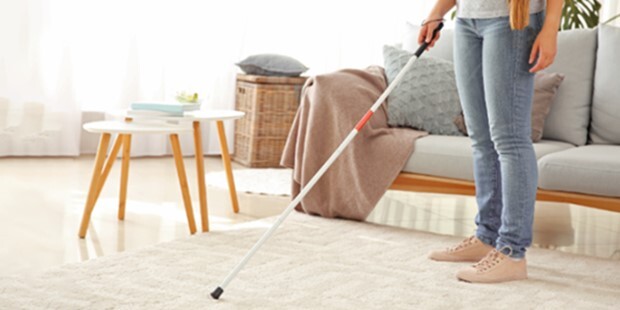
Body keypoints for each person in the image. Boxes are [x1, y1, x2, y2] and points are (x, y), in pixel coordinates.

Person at [420, 0, 563, 283]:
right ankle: (486, 236)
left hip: (512, 22)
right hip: (467, 20)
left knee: (509, 140)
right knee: (481, 138)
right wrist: (436, 12)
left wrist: (550, 28)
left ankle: (511, 252)